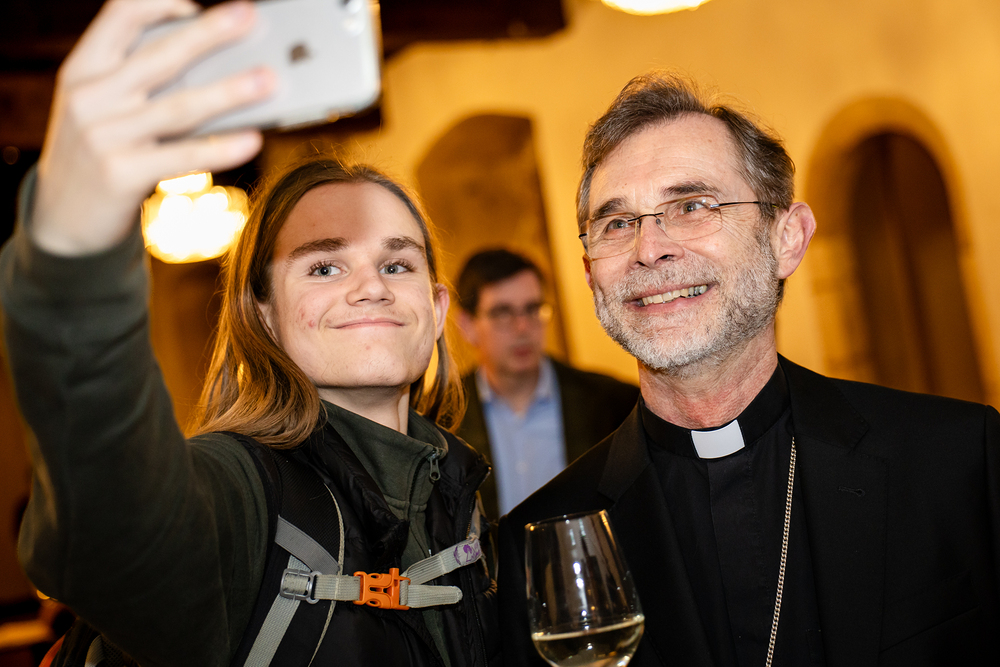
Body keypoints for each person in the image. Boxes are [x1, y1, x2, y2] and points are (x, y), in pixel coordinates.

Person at [0, 1, 498, 665]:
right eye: (324, 266)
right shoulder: (237, 494)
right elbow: (110, 531)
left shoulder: (461, 500)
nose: (370, 286)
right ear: (265, 315)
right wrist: (75, 237)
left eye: (397, 263)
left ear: (436, 309)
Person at [497, 72, 1000, 667]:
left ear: (788, 239)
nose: (649, 249)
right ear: (590, 274)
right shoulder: (534, 545)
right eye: (617, 223)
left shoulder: (959, 461)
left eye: (692, 206)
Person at [454, 249, 638, 518]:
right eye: (502, 313)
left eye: (532, 309)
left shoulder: (614, 403)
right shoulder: (441, 416)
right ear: (467, 325)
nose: (522, 328)